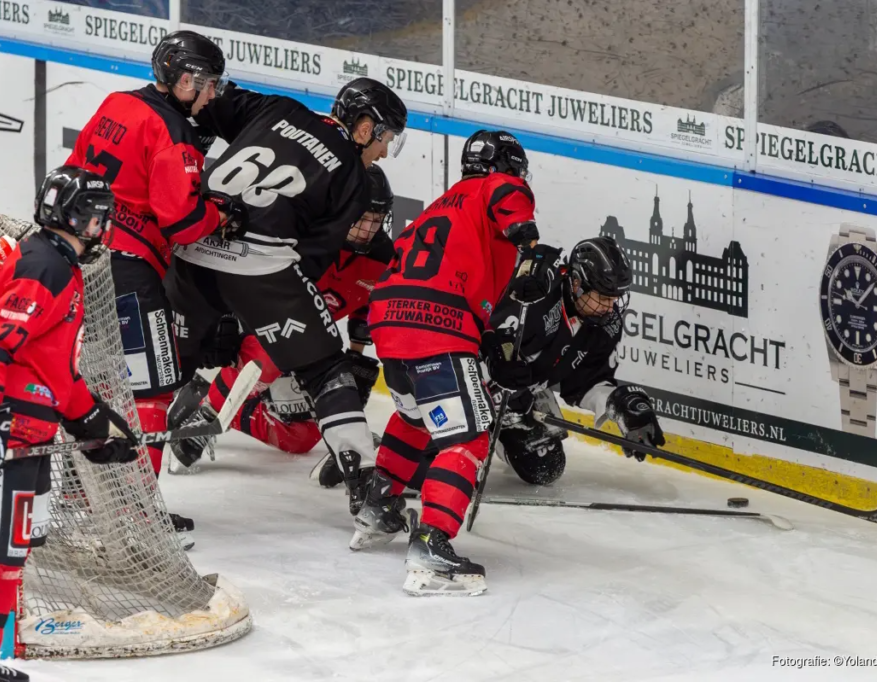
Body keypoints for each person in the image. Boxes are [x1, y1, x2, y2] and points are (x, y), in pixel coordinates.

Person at [0, 167, 138, 682]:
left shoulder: (62, 269)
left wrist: (92, 426)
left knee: (9, 556)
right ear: (65, 216)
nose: (99, 229)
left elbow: (51, 371)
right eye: (92, 219)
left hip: (28, 438)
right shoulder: (43, 263)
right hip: (1, 438)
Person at [163, 77, 407, 514]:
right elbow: (306, 262)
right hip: (257, 265)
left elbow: (205, 105)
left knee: (165, 364)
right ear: (365, 127)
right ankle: (366, 489)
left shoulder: (278, 108)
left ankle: (97, 475)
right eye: (386, 137)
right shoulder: (351, 176)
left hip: (192, 240)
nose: (384, 151)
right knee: (327, 364)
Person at [65, 30, 244, 542]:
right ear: (184, 79)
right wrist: (221, 212)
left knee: (96, 382)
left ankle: (83, 495)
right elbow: (183, 223)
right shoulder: (172, 132)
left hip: (82, 258)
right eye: (207, 84)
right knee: (153, 389)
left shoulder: (115, 103)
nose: (211, 95)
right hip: (129, 271)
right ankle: (139, 516)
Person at [352, 129, 540, 597]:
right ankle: (433, 545)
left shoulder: (442, 205)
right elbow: (505, 191)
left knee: (414, 418)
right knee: (468, 436)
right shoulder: (494, 189)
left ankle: (379, 505)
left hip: (390, 320)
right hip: (436, 323)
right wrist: (525, 231)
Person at [167, 164, 395, 469]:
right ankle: (205, 416)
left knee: (300, 438)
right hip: (263, 325)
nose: (368, 229)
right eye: (363, 218)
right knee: (268, 355)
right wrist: (230, 316)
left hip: (308, 345)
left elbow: (368, 305)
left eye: (376, 220)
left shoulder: (382, 258)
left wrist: (356, 357)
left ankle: (209, 399)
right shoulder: (307, 236)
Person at [485, 236, 666, 486]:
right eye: (602, 296)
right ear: (577, 283)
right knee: (435, 460)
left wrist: (622, 403)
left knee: (546, 468)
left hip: (524, 389)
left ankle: (507, 423)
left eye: (615, 298)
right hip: (475, 372)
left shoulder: (606, 323)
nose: (609, 306)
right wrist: (494, 362)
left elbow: (587, 380)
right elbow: (481, 326)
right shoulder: (538, 290)